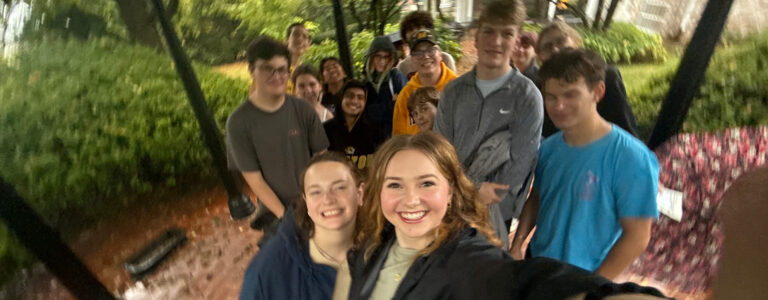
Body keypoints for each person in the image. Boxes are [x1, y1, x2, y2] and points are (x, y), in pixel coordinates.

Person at [347, 131, 668, 300]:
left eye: (427, 183)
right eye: (395, 185)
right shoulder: (375, 245)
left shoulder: (467, 260)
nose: (410, 199)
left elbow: (523, 282)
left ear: (451, 191)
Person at [510, 49, 659, 280]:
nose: (559, 106)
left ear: (597, 92)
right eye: (551, 96)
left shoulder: (631, 157)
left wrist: (594, 285)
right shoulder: (548, 148)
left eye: (570, 95)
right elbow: (538, 198)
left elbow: (638, 236)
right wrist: (518, 244)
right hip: (538, 265)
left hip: (585, 275)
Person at [433, 0, 542, 249]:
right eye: (489, 32)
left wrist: (473, 191)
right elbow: (440, 154)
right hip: (450, 210)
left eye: (507, 34)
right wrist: (472, 190)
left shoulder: (527, 97)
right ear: (477, 38)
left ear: (516, 42)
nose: (496, 41)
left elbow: (519, 167)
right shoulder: (453, 93)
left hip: (495, 218)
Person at [226, 36, 329, 224]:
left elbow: (322, 158)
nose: (276, 76)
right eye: (267, 69)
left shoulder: (303, 109)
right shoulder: (238, 122)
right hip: (276, 214)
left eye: (282, 70)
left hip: (318, 203)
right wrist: (286, 218)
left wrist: (318, 201)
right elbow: (254, 179)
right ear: (252, 71)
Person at [240, 152, 363, 300]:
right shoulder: (268, 269)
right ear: (306, 203)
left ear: (359, 194)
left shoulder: (382, 249)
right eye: (316, 192)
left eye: (339, 187)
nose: (328, 200)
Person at [535, 20, 639, 137]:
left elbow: (626, 129)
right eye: (547, 47)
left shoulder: (607, 77)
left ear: (577, 43)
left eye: (561, 41)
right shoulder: (538, 89)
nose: (555, 49)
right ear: (539, 57)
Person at [391, 30, 457, 136]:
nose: (425, 56)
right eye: (418, 53)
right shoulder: (405, 96)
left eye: (430, 50)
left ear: (440, 54)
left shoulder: (459, 88)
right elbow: (398, 140)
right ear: (412, 60)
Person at [324, 80, 386, 171]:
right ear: (341, 98)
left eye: (360, 98)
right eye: (350, 96)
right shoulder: (326, 130)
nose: (354, 101)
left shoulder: (376, 131)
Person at [363, 36, 408, 137]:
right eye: (378, 56)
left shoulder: (396, 78)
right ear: (371, 57)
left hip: (397, 138)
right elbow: (366, 115)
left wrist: (378, 109)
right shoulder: (365, 83)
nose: (382, 61)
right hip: (374, 142)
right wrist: (391, 105)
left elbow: (404, 109)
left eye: (386, 57)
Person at [395, 11, 456, 78]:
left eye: (421, 32)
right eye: (412, 37)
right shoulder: (403, 67)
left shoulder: (446, 59)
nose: (425, 56)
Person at [286, 22, 311, 94]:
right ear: (287, 40)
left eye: (305, 37)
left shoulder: (307, 72)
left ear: (308, 45)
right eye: (296, 35)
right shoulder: (275, 69)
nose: (300, 40)